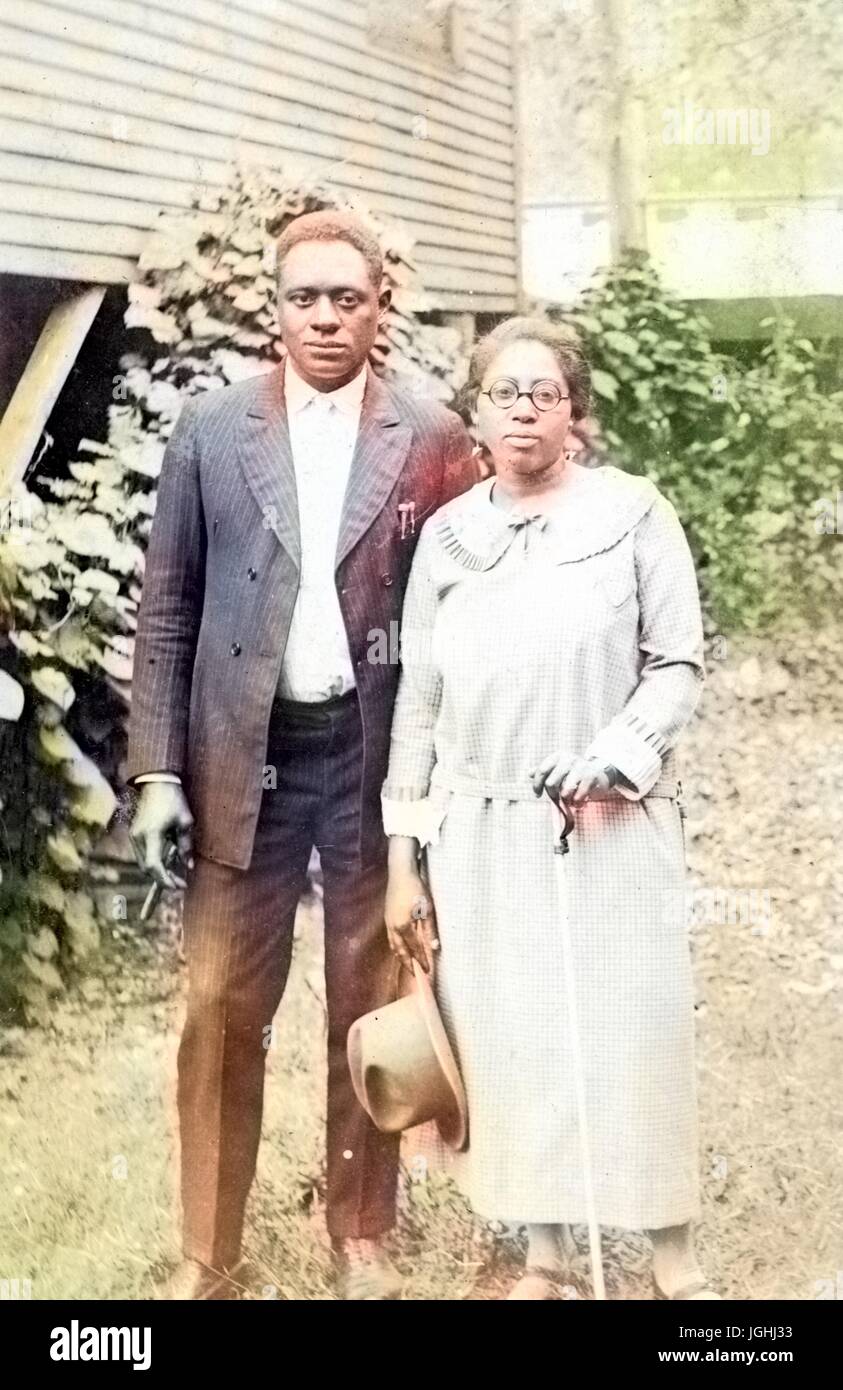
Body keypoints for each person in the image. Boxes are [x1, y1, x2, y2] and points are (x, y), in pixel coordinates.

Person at [127, 210, 476, 1299]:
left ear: (380, 307)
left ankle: (361, 1229)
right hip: (245, 757)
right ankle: (208, 1249)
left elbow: (462, 615)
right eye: (304, 297)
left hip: (370, 760)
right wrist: (155, 773)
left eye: (348, 297)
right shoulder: (209, 430)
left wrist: (442, 787)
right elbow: (168, 607)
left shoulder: (429, 434)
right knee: (219, 1004)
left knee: (365, 997)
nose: (326, 317)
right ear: (273, 309)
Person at [382, 316, 719, 1301]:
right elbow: (419, 702)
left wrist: (615, 759)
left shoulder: (635, 513)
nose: (523, 410)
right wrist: (406, 854)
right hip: (482, 830)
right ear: (475, 412)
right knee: (513, 1032)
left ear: (575, 410)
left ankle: (670, 1251)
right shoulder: (449, 539)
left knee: (636, 1026)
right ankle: (546, 1253)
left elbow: (677, 665)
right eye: (503, 393)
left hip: (610, 821)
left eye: (543, 392)